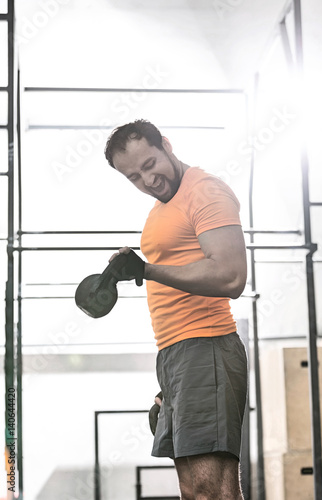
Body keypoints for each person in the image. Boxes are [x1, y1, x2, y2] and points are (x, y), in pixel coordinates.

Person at [104, 119, 248, 500]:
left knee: (211, 490)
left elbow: (231, 276)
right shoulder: (160, 211)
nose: (148, 180)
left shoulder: (205, 191)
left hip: (207, 344)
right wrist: (169, 382)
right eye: (134, 176)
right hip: (177, 353)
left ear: (166, 144)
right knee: (193, 491)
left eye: (150, 164)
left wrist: (147, 269)